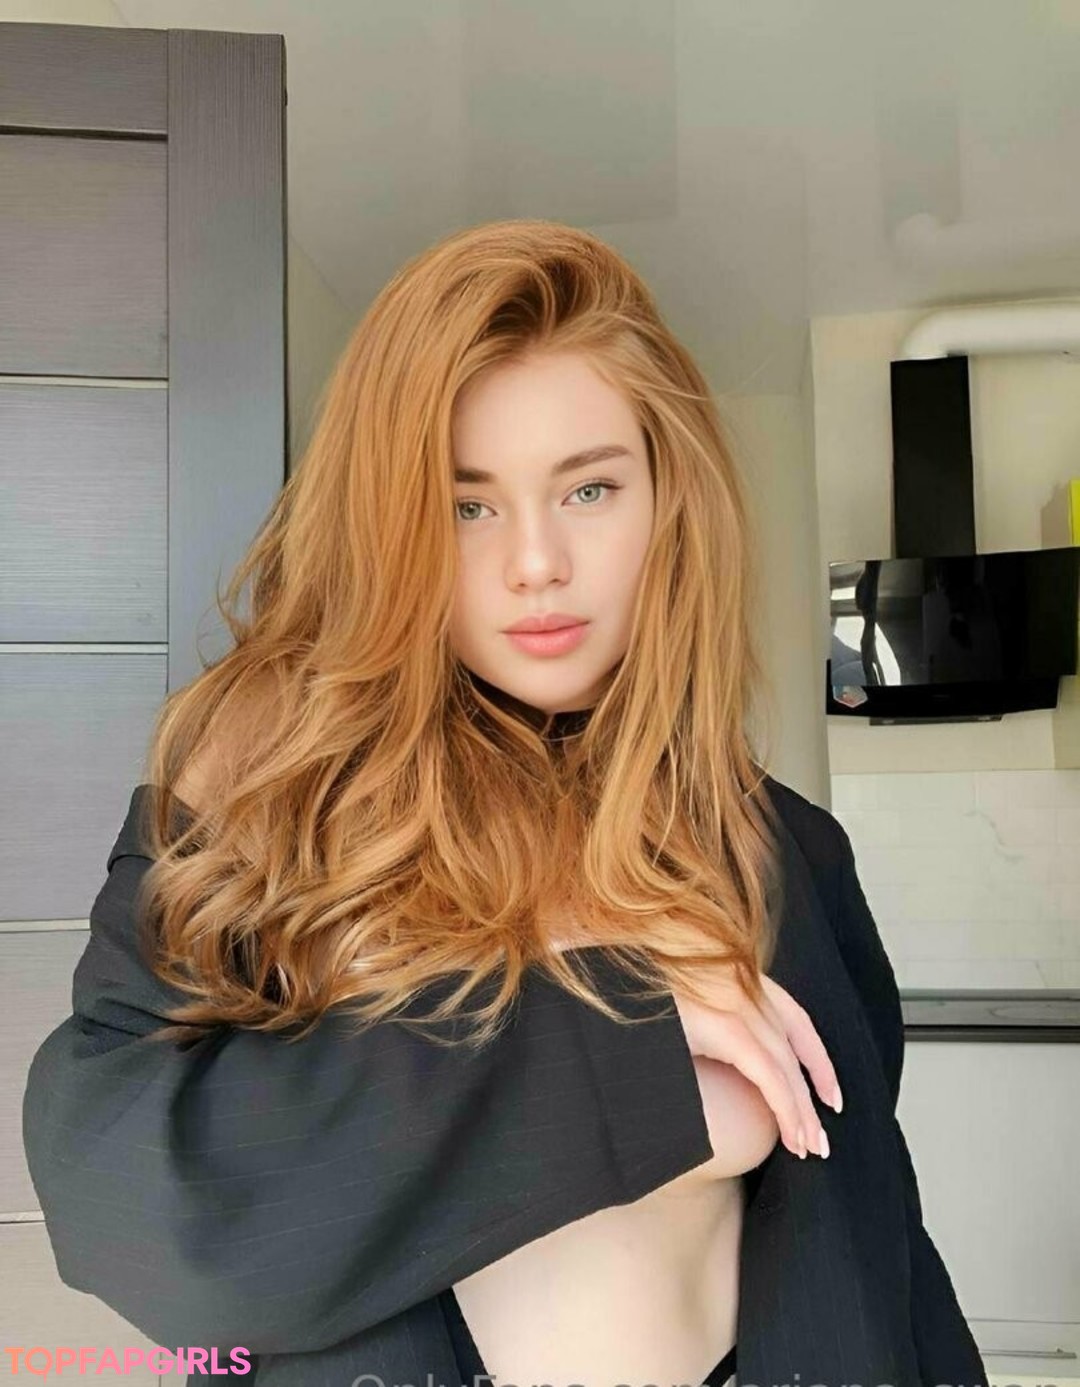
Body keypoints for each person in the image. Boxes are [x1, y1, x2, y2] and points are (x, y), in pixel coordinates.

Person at [22, 219, 988, 1387]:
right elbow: (133, 1209)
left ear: (668, 499)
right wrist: (616, 1061)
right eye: (466, 505)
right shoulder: (274, 801)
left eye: (589, 487)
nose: (537, 561)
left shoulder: (789, 849)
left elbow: (882, 1254)